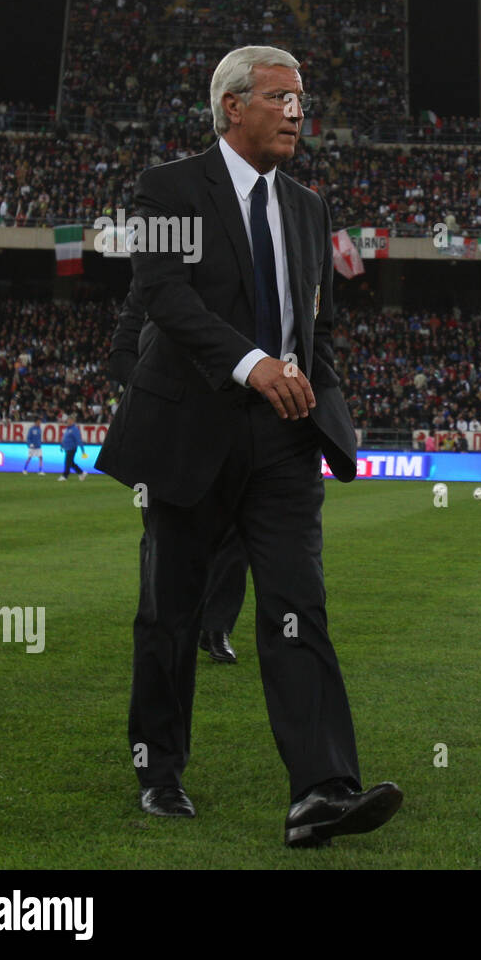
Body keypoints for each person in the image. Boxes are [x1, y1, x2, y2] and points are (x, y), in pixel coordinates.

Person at [95, 44, 401, 847]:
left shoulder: (308, 207)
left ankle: (324, 791)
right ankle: (159, 770)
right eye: (280, 97)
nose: (297, 111)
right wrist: (253, 363)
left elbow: (316, 327)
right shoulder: (166, 189)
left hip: (285, 444)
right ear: (232, 106)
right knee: (171, 613)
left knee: (299, 607)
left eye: (302, 98)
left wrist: (327, 409)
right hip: (191, 433)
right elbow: (163, 294)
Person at [108, 280, 248, 666]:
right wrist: (155, 390)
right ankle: (162, 624)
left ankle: (217, 628)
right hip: (165, 427)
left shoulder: (232, 282)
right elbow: (121, 349)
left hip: (227, 420)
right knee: (162, 531)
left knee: (234, 533)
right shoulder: (153, 280)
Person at [58, 417, 86, 481]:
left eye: (69, 421)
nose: (67, 422)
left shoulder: (75, 429)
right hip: (67, 448)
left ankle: (65, 476)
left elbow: (79, 440)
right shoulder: (67, 429)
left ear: (72, 421)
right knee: (71, 463)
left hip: (72, 448)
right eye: (67, 421)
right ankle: (81, 473)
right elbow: (64, 438)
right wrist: (62, 445)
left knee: (67, 462)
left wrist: (83, 451)